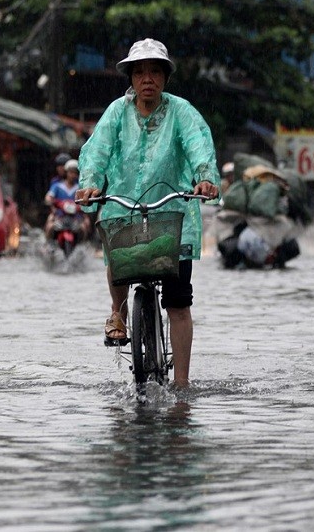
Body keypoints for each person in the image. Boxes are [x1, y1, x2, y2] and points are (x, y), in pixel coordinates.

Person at [75, 38, 220, 388]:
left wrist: (204, 178)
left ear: (165, 77)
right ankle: (117, 311)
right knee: (117, 253)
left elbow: (199, 146)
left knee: (178, 303)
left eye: (155, 71)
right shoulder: (116, 113)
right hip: (125, 208)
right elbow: (97, 151)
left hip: (172, 213)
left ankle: (182, 381)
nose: (147, 79)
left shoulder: (182, 112)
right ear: (131, 78)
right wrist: (92, 183)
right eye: (140, 72)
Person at [44, 159, 89, 240]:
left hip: (76, 216)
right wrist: (53, 202)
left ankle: (83, 244)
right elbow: (49, 197)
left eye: (75, 173)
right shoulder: (57, 186)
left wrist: (82, 206)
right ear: (66, 172)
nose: (73, 175)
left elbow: (86, 200)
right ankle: (48, 244)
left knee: (85, 226)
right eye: (71, 172)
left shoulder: (80, 188)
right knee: (49, 226)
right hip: (59, 215)